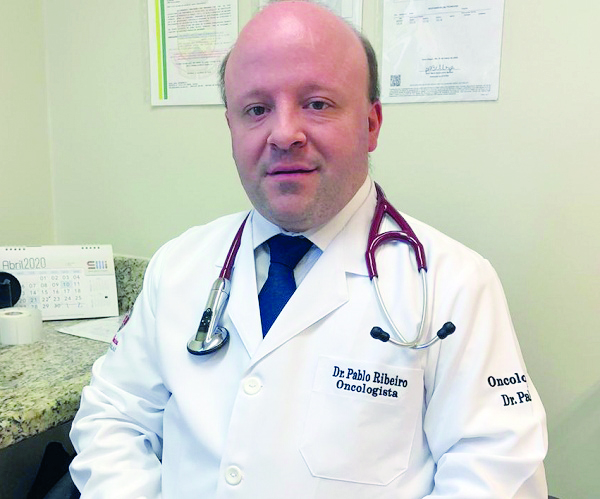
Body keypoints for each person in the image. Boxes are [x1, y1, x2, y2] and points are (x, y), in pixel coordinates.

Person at [69, 1, 548, 497]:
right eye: (256, 109)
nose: (283, 134)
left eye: (317, 103)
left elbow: (497, 471)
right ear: (231, 127)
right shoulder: (178, 266)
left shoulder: (455, 284)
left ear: (371, 124)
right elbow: (114, 417)